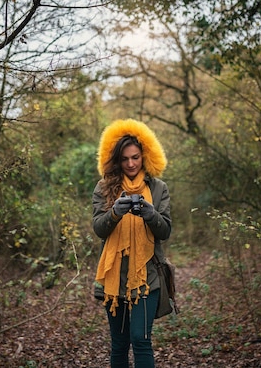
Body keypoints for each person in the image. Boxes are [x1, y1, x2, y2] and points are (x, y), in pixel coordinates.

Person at [93, 119, 172, 368]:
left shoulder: (159, 189)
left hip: (148, 277)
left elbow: (165, 230)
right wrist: (114, 213)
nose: (130, 164)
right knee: (119, 343)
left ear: (144, 156)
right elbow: (98, 229)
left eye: (135, 157)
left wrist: (150, 213)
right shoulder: (104, 187)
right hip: (114, 278)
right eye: (125, 159)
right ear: (117, 160)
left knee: (141, 339)